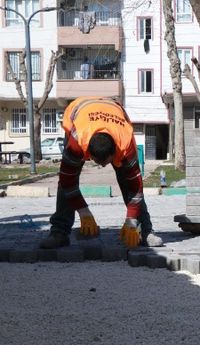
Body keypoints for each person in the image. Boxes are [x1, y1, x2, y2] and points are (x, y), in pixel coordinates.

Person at [40, 96, 163, 249]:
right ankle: (59, 232)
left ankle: (145, 231)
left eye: (107, 162)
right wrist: (84, 211)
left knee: (128, 183)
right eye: (98, 162)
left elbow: (136, 189)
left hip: (114, 113)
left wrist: (131, 220)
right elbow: (67, 181)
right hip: (79, 112)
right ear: (88, 153)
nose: (104, 166)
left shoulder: (126, 144)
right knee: (67, 179)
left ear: (115, 152)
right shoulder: (77, 141)